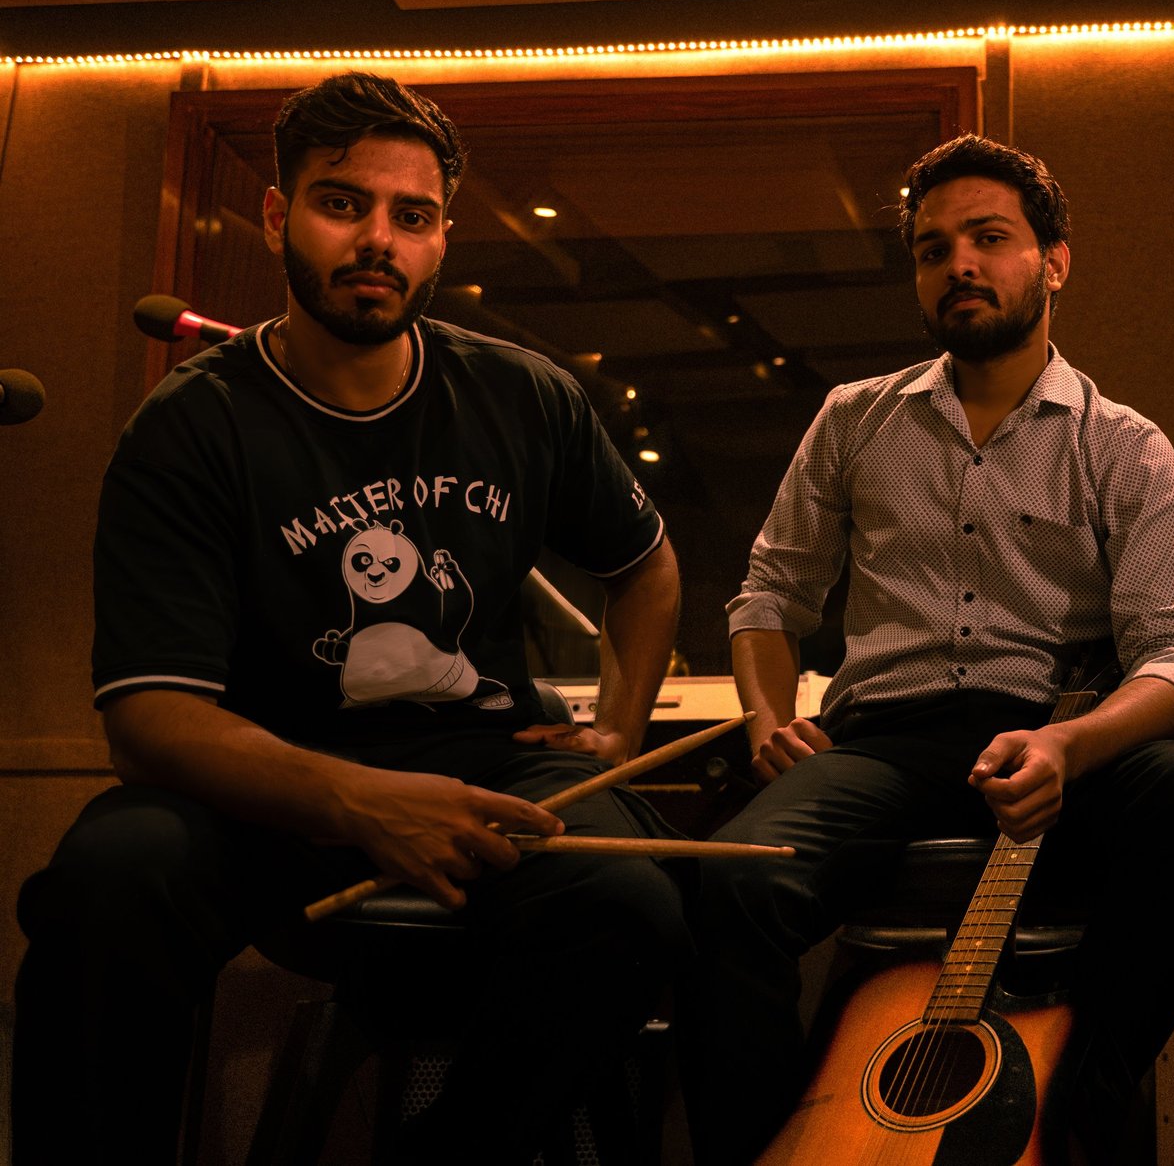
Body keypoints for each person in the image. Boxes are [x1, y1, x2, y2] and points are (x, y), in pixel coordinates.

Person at [11, 72, 689, 1164]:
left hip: (482, 759)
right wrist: (360, 802)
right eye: (344, 204)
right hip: (260, 787)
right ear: (281, 217)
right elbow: (149, 720)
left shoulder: (524, 397)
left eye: (410, 217)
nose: (378, 239)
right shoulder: (191, 427)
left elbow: (647, 565)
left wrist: (617, 724)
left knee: (633, 906)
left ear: (441, 241)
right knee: (105, 887)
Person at [683, 134, 1174, 1163]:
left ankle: (1076, 1098)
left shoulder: (1122, 444)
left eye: (989, 238)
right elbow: (770, 593)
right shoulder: (853, 420)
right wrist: (771, 720)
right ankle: (774, 1147)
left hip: (1058, 745)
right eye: (932, 248)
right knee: (730, 878)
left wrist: (1071, 749)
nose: (958, 264)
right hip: (884, 744)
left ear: (1054, 260)